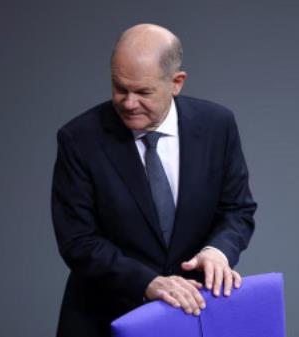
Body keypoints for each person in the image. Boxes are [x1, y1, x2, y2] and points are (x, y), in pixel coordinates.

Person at [51, 23, 256, 337]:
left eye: (143, 92)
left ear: (176, 82)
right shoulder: (79, 139)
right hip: (103, 319)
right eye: (120, 88)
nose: (129, 102)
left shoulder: (218, 126)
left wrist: (218, 250)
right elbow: (78, 240)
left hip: (193, 315)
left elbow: (237, 210)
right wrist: (146, 283)